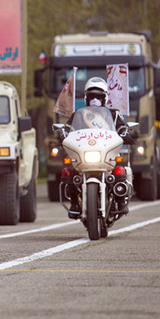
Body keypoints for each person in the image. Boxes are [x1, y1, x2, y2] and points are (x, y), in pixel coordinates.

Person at [63, 77, 134, 218]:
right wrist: (62, 134)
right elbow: (68, 128)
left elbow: (121, 127)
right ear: (86, 98)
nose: (95, 100)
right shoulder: (79, 114)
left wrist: (126, 133)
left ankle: (120, 201)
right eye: (91, 96)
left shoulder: (113, 115)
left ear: (105, 98)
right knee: (69, 172)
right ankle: (74, 204)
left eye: (99, 97)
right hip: (85, 154)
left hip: (105, 155)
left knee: (119, 170)